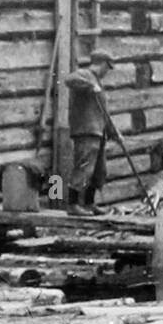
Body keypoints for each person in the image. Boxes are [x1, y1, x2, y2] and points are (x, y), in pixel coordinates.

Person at [64, 49, 116, 216]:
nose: (107, 72)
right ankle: (72, 205)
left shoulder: (99, 83)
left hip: (99, 132)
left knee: (99, 171)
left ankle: (89, 204)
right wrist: (89, 85)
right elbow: (69, 79)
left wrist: (115, 133)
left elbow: (104, 113)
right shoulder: (85, 75)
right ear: (101, 64)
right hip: (86, 131)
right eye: (107, 68)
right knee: (84, 168)